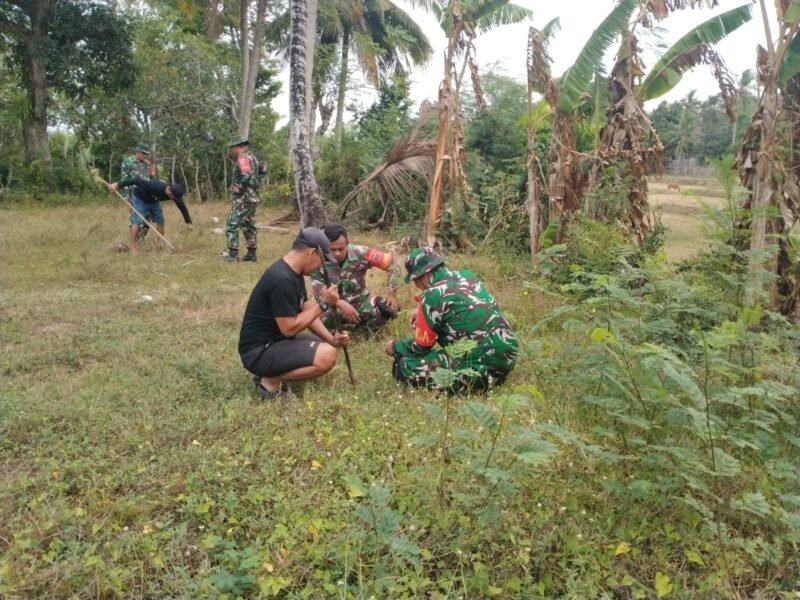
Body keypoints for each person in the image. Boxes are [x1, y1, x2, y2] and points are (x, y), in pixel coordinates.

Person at [385, 247, 518, 395]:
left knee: (406, 365)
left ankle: (475, 384)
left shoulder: (431, 295)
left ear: (425, 276)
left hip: (479, 367)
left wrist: (396, 346)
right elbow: (458, 300)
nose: (417, 285)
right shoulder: (467, 276)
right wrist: (422, 310)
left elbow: (421, 347)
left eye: (415, 280)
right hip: (508, 358)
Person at [238, 227, 351, 399]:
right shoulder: (282, 279)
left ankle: (272, 373)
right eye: (321, 261)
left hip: (275, 341)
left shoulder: (293, 273)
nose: (320, 266)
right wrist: (323, 304)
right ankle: (270, 379)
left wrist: (331, 338)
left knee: (326, 346)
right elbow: (289, 329)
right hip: (259, 352)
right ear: (311, 252)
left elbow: (305, 310)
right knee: (326, 356)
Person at [310, 224, 402, 334]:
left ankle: (361, 332)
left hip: (360, 303)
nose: (337, 253)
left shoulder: (362, 252)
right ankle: (339, 333)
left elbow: (393, 264)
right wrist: (339, 303)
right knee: (317, 318)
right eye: (332, 250)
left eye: (341, 249)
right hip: (333, 307)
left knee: (389, 309)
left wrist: (392, 294)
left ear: (347, 244)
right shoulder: (317, 260)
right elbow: (318, 292)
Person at [107, 177, 193, 253]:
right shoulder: (155, 185)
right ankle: (132, 247)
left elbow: (182, 206)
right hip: (140, 199)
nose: (176, 200)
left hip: (154, 202)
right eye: (174, 197)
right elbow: (136, 180)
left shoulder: (174, 194)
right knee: (136, 221)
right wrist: (118, 185)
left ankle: (160, 243)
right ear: (170, 193)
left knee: (160, 220)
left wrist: (188, 222)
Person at [223, 135, 262, 262]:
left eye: (231, 148)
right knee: (248, 224)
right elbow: (262, 171)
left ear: (237, 147)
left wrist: (240, 188)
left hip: (244, 198)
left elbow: (246, 174)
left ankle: (233, 255)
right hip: (253, 197)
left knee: (232, 224)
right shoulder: (253, 158)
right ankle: (251, 254)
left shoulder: (243, 158)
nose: (231, 151)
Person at [120, 143, 156, 241]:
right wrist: (126, 196)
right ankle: (134, 241)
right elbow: (124, 180)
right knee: (135, 218)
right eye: (143, 154)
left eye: (146, 154)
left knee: (148, 218)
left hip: (147, 195)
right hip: (134, 195)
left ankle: (141, 238)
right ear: (138, 152)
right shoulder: (127, 162)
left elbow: (152, 179)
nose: (145, 156)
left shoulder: (148, 164)